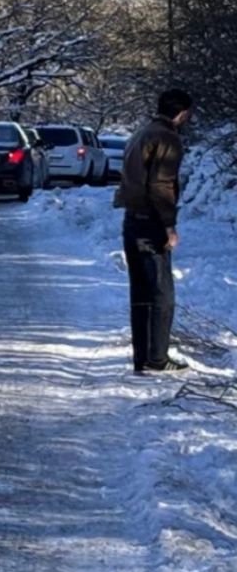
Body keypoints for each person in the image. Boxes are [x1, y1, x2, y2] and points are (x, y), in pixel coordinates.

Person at [115, 88, 193, 374]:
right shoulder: (167, 138)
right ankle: (157, 358)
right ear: (182, 113)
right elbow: (161, 184)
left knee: (141, 292)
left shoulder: (141, 133)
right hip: (151, 221)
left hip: (131, 220)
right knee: (162, 292)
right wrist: (169, 224)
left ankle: (142, 358)